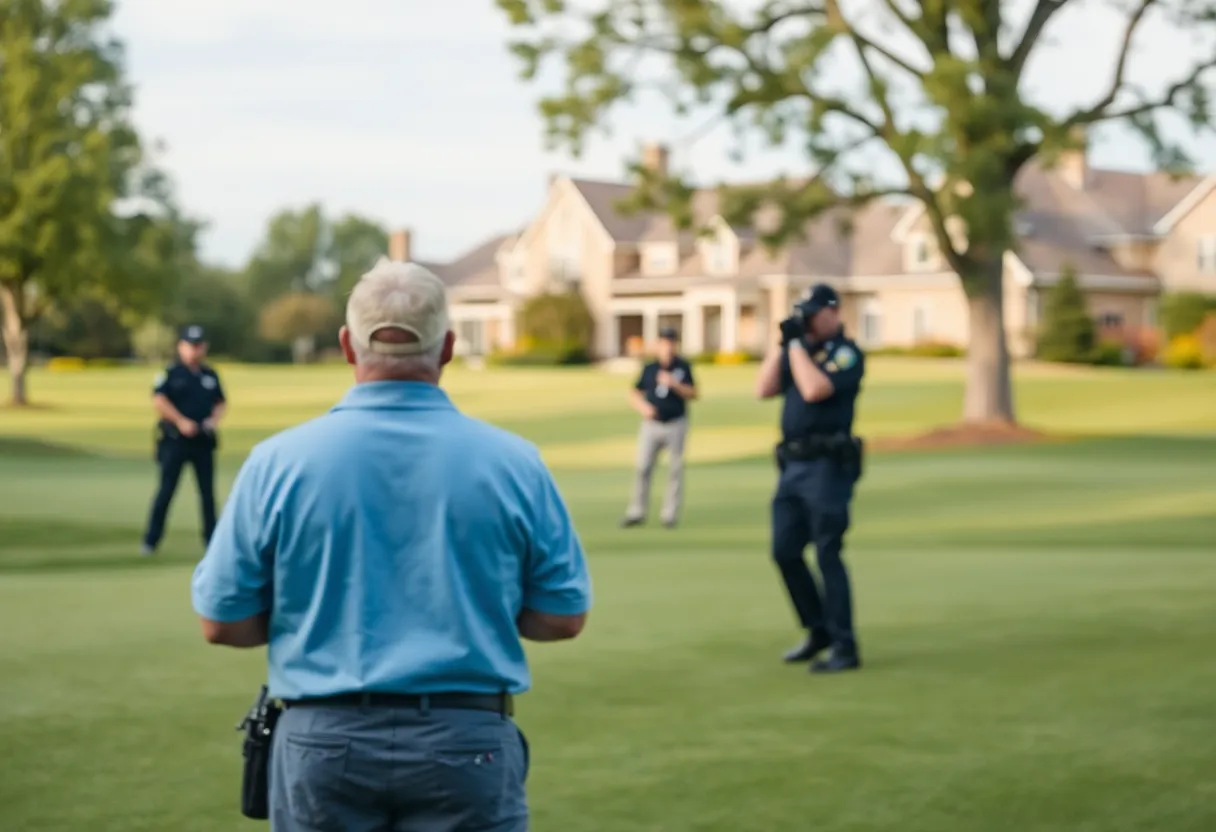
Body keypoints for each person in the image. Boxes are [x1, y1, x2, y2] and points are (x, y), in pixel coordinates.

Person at [190, 258, 592, 832]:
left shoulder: (278, 462)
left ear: (346, 346)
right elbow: (562, 616)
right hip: (466, 739)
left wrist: (309, 623)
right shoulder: (514, 462)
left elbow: (221, 622)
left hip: (322, 739)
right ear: (447, 347)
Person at [754, 283, 865, 674]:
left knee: (827, 552)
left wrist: (797, 348)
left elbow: (816, 389)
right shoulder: (799, 351)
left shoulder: (845, 353)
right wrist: (782, 344)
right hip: (792, 466)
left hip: (827, 466)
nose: (809, 320)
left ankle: (844, 644)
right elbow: (763, 389)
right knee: (784, 551)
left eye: (814, 313)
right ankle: (817, 629)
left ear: (833, 312)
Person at [141, 325, 226, 556]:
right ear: (181, 346)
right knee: (166, 491)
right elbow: (159, 400)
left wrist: (212, 421)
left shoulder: (209, 375)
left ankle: (212, 541)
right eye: (191, 345)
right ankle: (151, 541)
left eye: (199, 346)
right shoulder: (171, 372)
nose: (195, 350)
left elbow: (220, 402)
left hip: (203, 442)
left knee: (207, 495)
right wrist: (180, 421)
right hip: (175, 440)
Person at [621, 325, 697, 529]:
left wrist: (674, 384)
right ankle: (637, 511)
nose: (668, 347)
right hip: (652, 424)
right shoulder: (650, 368)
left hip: (675, 423)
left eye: (671, 343)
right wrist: (644, 408)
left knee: (675, 469)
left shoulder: (683, 367)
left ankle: (669, 514)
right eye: (664, 343)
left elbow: (693, 393)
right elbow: (634, 393)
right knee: (643, 467)